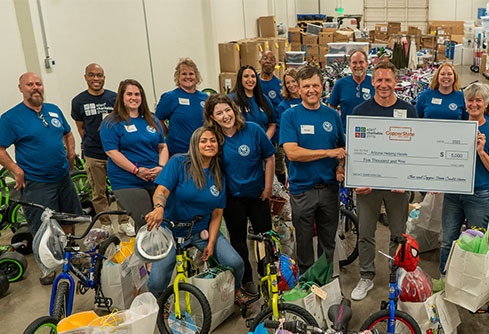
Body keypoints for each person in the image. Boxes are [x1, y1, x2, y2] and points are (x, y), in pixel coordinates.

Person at [0, 73, 83, 284]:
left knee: (68, 219)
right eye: (30, 84)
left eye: (38, 84)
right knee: (43, 227)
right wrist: (16, 169)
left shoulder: (53, 110)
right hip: (36, 182)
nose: (35, 87)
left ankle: (70, 256)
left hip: (63, 178)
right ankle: (48, 268)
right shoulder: (11, 118)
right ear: (21, 88)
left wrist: (71, 154)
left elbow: (68, 133)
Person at [145, 127, 244, 297]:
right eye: (203, 140)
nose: (209, 144)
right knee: (157, 281)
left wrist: (211, 243)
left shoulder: (219, 174)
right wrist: (159, 208)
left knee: (235, 262)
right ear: (194, 143)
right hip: (170, 228)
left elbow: (217, 214)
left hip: (199, 230)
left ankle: (236, 292)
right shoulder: (179, 162)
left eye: (213, 141)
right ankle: (159, 301)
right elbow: (162, 190)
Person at [350, 60, 419, 301]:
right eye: (378, 80)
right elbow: (355, 150)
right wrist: (356, 178)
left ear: (395, 82)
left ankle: (396, 275)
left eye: (388, 80)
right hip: (368, 184)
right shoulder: (360, 111)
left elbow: (414, 148)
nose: (383, 84)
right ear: (372, 82)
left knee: (398, 233)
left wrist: (407, 180)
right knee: (365, 232)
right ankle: (366, 276)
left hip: (397, 185)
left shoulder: (409, 110)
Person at [204, 94, 275, 296]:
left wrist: (268, 187)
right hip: (232, 198)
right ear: (212, 117)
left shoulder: (253, 130)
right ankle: (246, 279)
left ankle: (266, 274)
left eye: (227, 110)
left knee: (264, 237)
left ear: (234, 109)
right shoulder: (214, 139)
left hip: (258, 194)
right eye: (219, 113)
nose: (226, 116)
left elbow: (269, 158)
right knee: (238, 240)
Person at [279, 66, 346, 274]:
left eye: (315, 85)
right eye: (306, 86)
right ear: (298, 89)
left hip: (329, 190)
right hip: (302, 191)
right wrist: (328, 153)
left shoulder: (332, 115)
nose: (311, 90)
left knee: (328, 244)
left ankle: (326, 285)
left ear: (322, 87)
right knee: (304, 244)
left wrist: (340, 167)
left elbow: (342, 149)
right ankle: (307, 286)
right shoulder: (290, 116)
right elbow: (292, 153)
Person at [439, 83, 489, 276]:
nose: (474, 104)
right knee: (447, 240)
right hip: (453, 193)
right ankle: (446, 280)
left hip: (479, 195)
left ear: (485, 104)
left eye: (478, 100)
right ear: (465, 103)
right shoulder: (456, 128)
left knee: (475, 245)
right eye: (470, 100)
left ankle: (472, 282)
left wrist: (481, 153)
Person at [70, 63, 131, 235]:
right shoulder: (78, 101)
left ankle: (124, 221)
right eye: (92, 75)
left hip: (117, 153)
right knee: (98, 192)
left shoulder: (114, 98)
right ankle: (106, 223)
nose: (96, 79)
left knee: (121, 189)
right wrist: (92, 143)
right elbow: (81, 127)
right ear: (85, 77)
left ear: (104, 78)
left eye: (99, 75)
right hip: (93, 154)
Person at [100, 79, 169, 230]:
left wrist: (161, 168)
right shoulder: (111, 122)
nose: (134, 97)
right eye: (129, 94)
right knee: (146, 222)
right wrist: (136, 171)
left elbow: (162, 146)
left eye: (137, 94)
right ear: (122, 97)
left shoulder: (152, 119)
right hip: (127, 181)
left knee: (164, 220)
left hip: (155, 178)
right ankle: (145, 253)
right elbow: (112, 152)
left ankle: (162, 252)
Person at [155, 58, 208, 156]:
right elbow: (157, 120)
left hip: (201, 151)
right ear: (178, 77)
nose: (188, 77)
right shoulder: (170, 97)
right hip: (178, 152)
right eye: (184, 74)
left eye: (191, 74)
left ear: (196, 77)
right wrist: (168, 134)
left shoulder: (205, 98)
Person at [328, 49, 375, 131]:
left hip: (370, 132)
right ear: (350, 65)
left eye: (361, 62)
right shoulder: (340, 84)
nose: (358, 65)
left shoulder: (374, 83)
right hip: (346, 132)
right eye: (354, 62)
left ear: (367, 64)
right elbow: (331, 109)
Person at [230, 65, 276, 142]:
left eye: (253, 76)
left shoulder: (264, 99)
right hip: (241, 145)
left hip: (262, 147)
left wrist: (264, 141)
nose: (250, 79)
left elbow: (272, 124)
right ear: (240, 79)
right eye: (246, 76)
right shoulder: (231, 100)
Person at [274, 69, 303, 185]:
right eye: (288, 83)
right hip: (293, 148)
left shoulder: (308, 99)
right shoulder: (283, 106)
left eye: (293, 81)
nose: (291, 85)